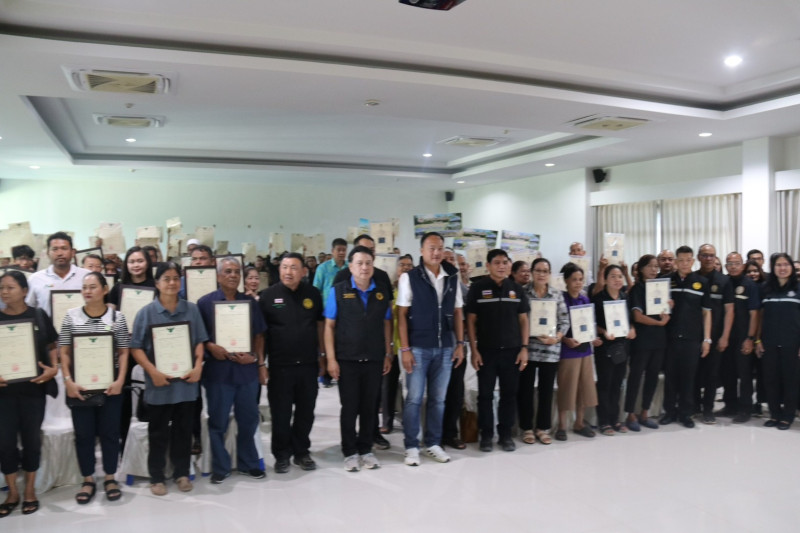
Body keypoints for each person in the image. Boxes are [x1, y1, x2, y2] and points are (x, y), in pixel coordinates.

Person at [130, 262, 208, 496]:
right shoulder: (146, 313)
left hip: (186, 384)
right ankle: (157, 476)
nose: (172, 283)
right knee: (158, 433)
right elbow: (136, 348)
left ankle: (181, 473)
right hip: (159, 385)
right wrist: (152, 371)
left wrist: (198, 366)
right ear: (157, 283)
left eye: (175, 278)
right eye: (166, 279)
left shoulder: (191, 309)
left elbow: (200, 341)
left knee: (184, 431)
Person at [58, 272, 130, 503]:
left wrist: (120, 380)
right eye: (84, 287)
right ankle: (88, 479)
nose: (87, 291)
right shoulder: (71, 316)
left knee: (110, 433)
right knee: (84, 434)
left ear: (105, 289)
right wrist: (68, 380)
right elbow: (63, 352)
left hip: (110, 386)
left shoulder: (117, 317)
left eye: (92, 287)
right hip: (80, 386)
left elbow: (124, 351)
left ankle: (110, 476)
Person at [197, 257, 267, 483]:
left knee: (248, 419)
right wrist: (211, 347)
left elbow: (259, 335)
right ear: (218, 276)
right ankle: (221, 466)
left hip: (246, 372)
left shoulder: (250, 303)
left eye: (237, 271)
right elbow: (199, 337)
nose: (233, 275)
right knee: (218, 422)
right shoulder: (204, 303)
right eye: (228, 271)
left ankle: (249, 463)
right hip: (218, 372)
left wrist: (256, 359)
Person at [397, 232, 464, 465]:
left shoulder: (452, 276)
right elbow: (401, 315)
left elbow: (458, 311)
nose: (436, 253)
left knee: (438, 399)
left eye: (440, 248)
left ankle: (433, 443)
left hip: (445, 348)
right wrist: (405, 349)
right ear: (422, 251)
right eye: (431, 248)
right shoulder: (410, 277)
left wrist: (460, 344)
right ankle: (411, 446)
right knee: (414, 398)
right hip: (418, 347)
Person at [324, 246, 393, 472]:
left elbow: (387, 323)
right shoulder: (338, 291)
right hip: (347, 359)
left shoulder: (381, 292)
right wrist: (331, 359)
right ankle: (350, 451)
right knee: (350, 407)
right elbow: (329, 326)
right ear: (351, 266)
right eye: (359, 263)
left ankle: (365, 449)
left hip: (374, 358)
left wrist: (388, 352)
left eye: (368, 263)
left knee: (369, 407)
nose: (364, 267)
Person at [0, 271, 59, 517]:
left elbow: (52, 345)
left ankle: (30, 490)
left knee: (32, 441)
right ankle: (13, 492)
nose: (4, 292)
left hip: (33, 390)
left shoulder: (38, 316)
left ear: (25, 291)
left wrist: (54, 368)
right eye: (1, 288)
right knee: (5, 443)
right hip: (3, 394)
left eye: (10, 287)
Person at [259, 253, 324, 474]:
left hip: (308, 364)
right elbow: (261, 335)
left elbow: (319, 326)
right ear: (279, 270)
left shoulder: (313, 294)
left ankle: (302, 451)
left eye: (294, 267)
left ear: (303, 271)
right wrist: (261, 364)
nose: (288, 272)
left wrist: (323, 355)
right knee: (281, 413)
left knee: (306, 411)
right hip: (280, 366)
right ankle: (281, 454)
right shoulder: (268, 296)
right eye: (285, 267)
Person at [466, 249, 529, 452]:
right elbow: (471, 320)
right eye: (497, 262)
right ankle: (486, 435)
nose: (501, 266)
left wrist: (524, 348)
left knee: (509, 395)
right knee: (485, 395)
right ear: (488, 266)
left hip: (512, 351)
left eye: (505, 262)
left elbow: (523, 320)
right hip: (486, 351)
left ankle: (505, 435)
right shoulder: (478, 288)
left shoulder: (517, 289)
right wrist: (474, 350)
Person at [660, 246, 712, 429]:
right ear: (675, 261)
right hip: (670, 337)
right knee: (670, 377)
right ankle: (669, 412)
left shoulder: (702, 282)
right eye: (680, 260)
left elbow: (707, 313)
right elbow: (655, 307)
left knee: (689, 378)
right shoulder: (666, 281)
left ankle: (686, 413)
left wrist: (707, 339)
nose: (684, 264)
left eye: (688, 260)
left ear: (693, 261)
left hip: (692, 338)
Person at [518, 258, 568, 445]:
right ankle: (526, 428)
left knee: (546, 391)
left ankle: (542, 428)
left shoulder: (557, 294)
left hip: (550, 349)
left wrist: (557, 337)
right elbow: (518, 320)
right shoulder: (523, 292)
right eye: (538, 270)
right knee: (525, 390)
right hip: (528, 349)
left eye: (545, 271)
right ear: (531, 272)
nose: (541, 274)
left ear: (549, 274)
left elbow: (564, 320)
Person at [555, 262, 600, 441]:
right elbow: (555, 326)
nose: (578, 283)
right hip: (568, 351)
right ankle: (561, 426)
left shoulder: (585, 300)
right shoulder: (561, 299)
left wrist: (593, 337)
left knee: (584, 388)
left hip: (585, 350)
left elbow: (589, 324)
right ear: (566, 281)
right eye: (574, 279)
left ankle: (579, 423)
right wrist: (565, 339)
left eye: (581, 279)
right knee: (566, 388)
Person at [625, 254, 670, 431]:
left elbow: (664, 313)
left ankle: (645, 412)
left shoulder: (660, 288)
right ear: (641, 269)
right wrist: (659, 323)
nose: (654, 270)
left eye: (656, 267)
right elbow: (637, 316)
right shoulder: (637, 289)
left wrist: (669, 308)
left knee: (652, 377)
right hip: (642, 341)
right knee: (635, 377)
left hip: (659, 340)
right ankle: (630, 413)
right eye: (650, 266)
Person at [756, 253, 800, 430]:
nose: (782, 268)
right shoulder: (766, 289)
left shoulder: (798, 288)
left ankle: (788, 416)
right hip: (769, 342)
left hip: (793, 342)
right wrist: (757, 339)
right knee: (770, 379)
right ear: (773, 268)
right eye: (778, 265)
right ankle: (774, 414)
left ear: (791, 267)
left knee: (791, 381)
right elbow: (760, 316)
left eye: (786, 265)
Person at [592, 264, 636, 435]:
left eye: (619, 276)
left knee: (618, 384)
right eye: (613, 276)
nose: (617, 280)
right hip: (605, 347)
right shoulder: (598, 298)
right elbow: (592, 324)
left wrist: (632, 329)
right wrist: (603, 332)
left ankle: (615, 419)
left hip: (622, 346)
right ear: (605, 279)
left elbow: (629, 320)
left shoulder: (625, 297)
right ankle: (604, 422)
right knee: (605, 384)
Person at [718, 252, 760, 423]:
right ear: (726, 266)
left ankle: (745, 408)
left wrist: (750, 338)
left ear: (743, 265)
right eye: (730, 263)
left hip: (743, 337)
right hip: (726, 336)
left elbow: (754, 314)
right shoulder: (723, 282)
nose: (733, 266)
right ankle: (730, 405)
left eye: (737, 263)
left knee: (744, 374)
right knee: (727, 372)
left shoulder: (750, 285)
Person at [694, 244, 733, 425]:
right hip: (694, 335)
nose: (708, 258)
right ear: (698, 257)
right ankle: (694, 406)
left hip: (716, 336)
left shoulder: (724, 281)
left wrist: (725, 336)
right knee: (693, 373)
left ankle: (708, 409)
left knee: (712, 374)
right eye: (705, 255)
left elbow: (729, 310)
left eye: (712, 255)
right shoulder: (692, 278)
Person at [381, 254, 414, 435]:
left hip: (409, 346)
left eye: (409, 265)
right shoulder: (389, 290)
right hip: (391, 346)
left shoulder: (416, 290)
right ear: (396, 268)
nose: (406, 268)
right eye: (402, 265)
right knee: (388, 386)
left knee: (410, 388)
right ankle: (387, 422)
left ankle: (409, 421)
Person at [441, 252, 470, 449]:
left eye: (452, 259)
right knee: (436, 395)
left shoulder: (463, 289)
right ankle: (434, 435)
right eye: (445, 259)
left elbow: (468, 319)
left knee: (455, 393)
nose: (448, 262)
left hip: (456, 348)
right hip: (434, 349)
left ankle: (451, 434)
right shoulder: (428, 285)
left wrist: (461, 343)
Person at [25, 232, 90, 316]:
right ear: (48, 253)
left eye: (64, 248)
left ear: (73, 252)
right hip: (47, 325)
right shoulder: (35, 279)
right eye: (55, 249)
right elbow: (29, 308)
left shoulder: (87, 276)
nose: (60, 253)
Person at [313, 238, 348, 306]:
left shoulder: (350, 267)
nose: (341, 252)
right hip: (328, 306)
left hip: (346, 306)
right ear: (332, 251)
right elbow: (316, 290)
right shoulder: (323, 268)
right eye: (339, 250)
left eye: (344, 250)